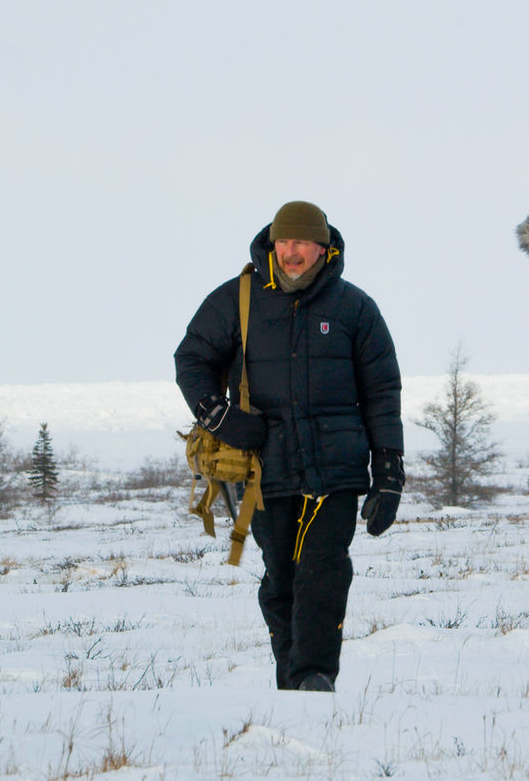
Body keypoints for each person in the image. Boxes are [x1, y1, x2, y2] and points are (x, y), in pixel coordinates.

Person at [175, 200, 404, 692]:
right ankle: (293, 683)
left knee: (323, 572)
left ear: (323, 248)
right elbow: (191, 358)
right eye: (284, 241)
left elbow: (383, 393)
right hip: (264, 469)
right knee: (280, 580)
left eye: (302, 242)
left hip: (337, 469)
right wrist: (222, 417)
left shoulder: (354, 308)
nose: (291, 252)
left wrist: (389, 474)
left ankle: (314, 677)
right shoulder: (237, 299)